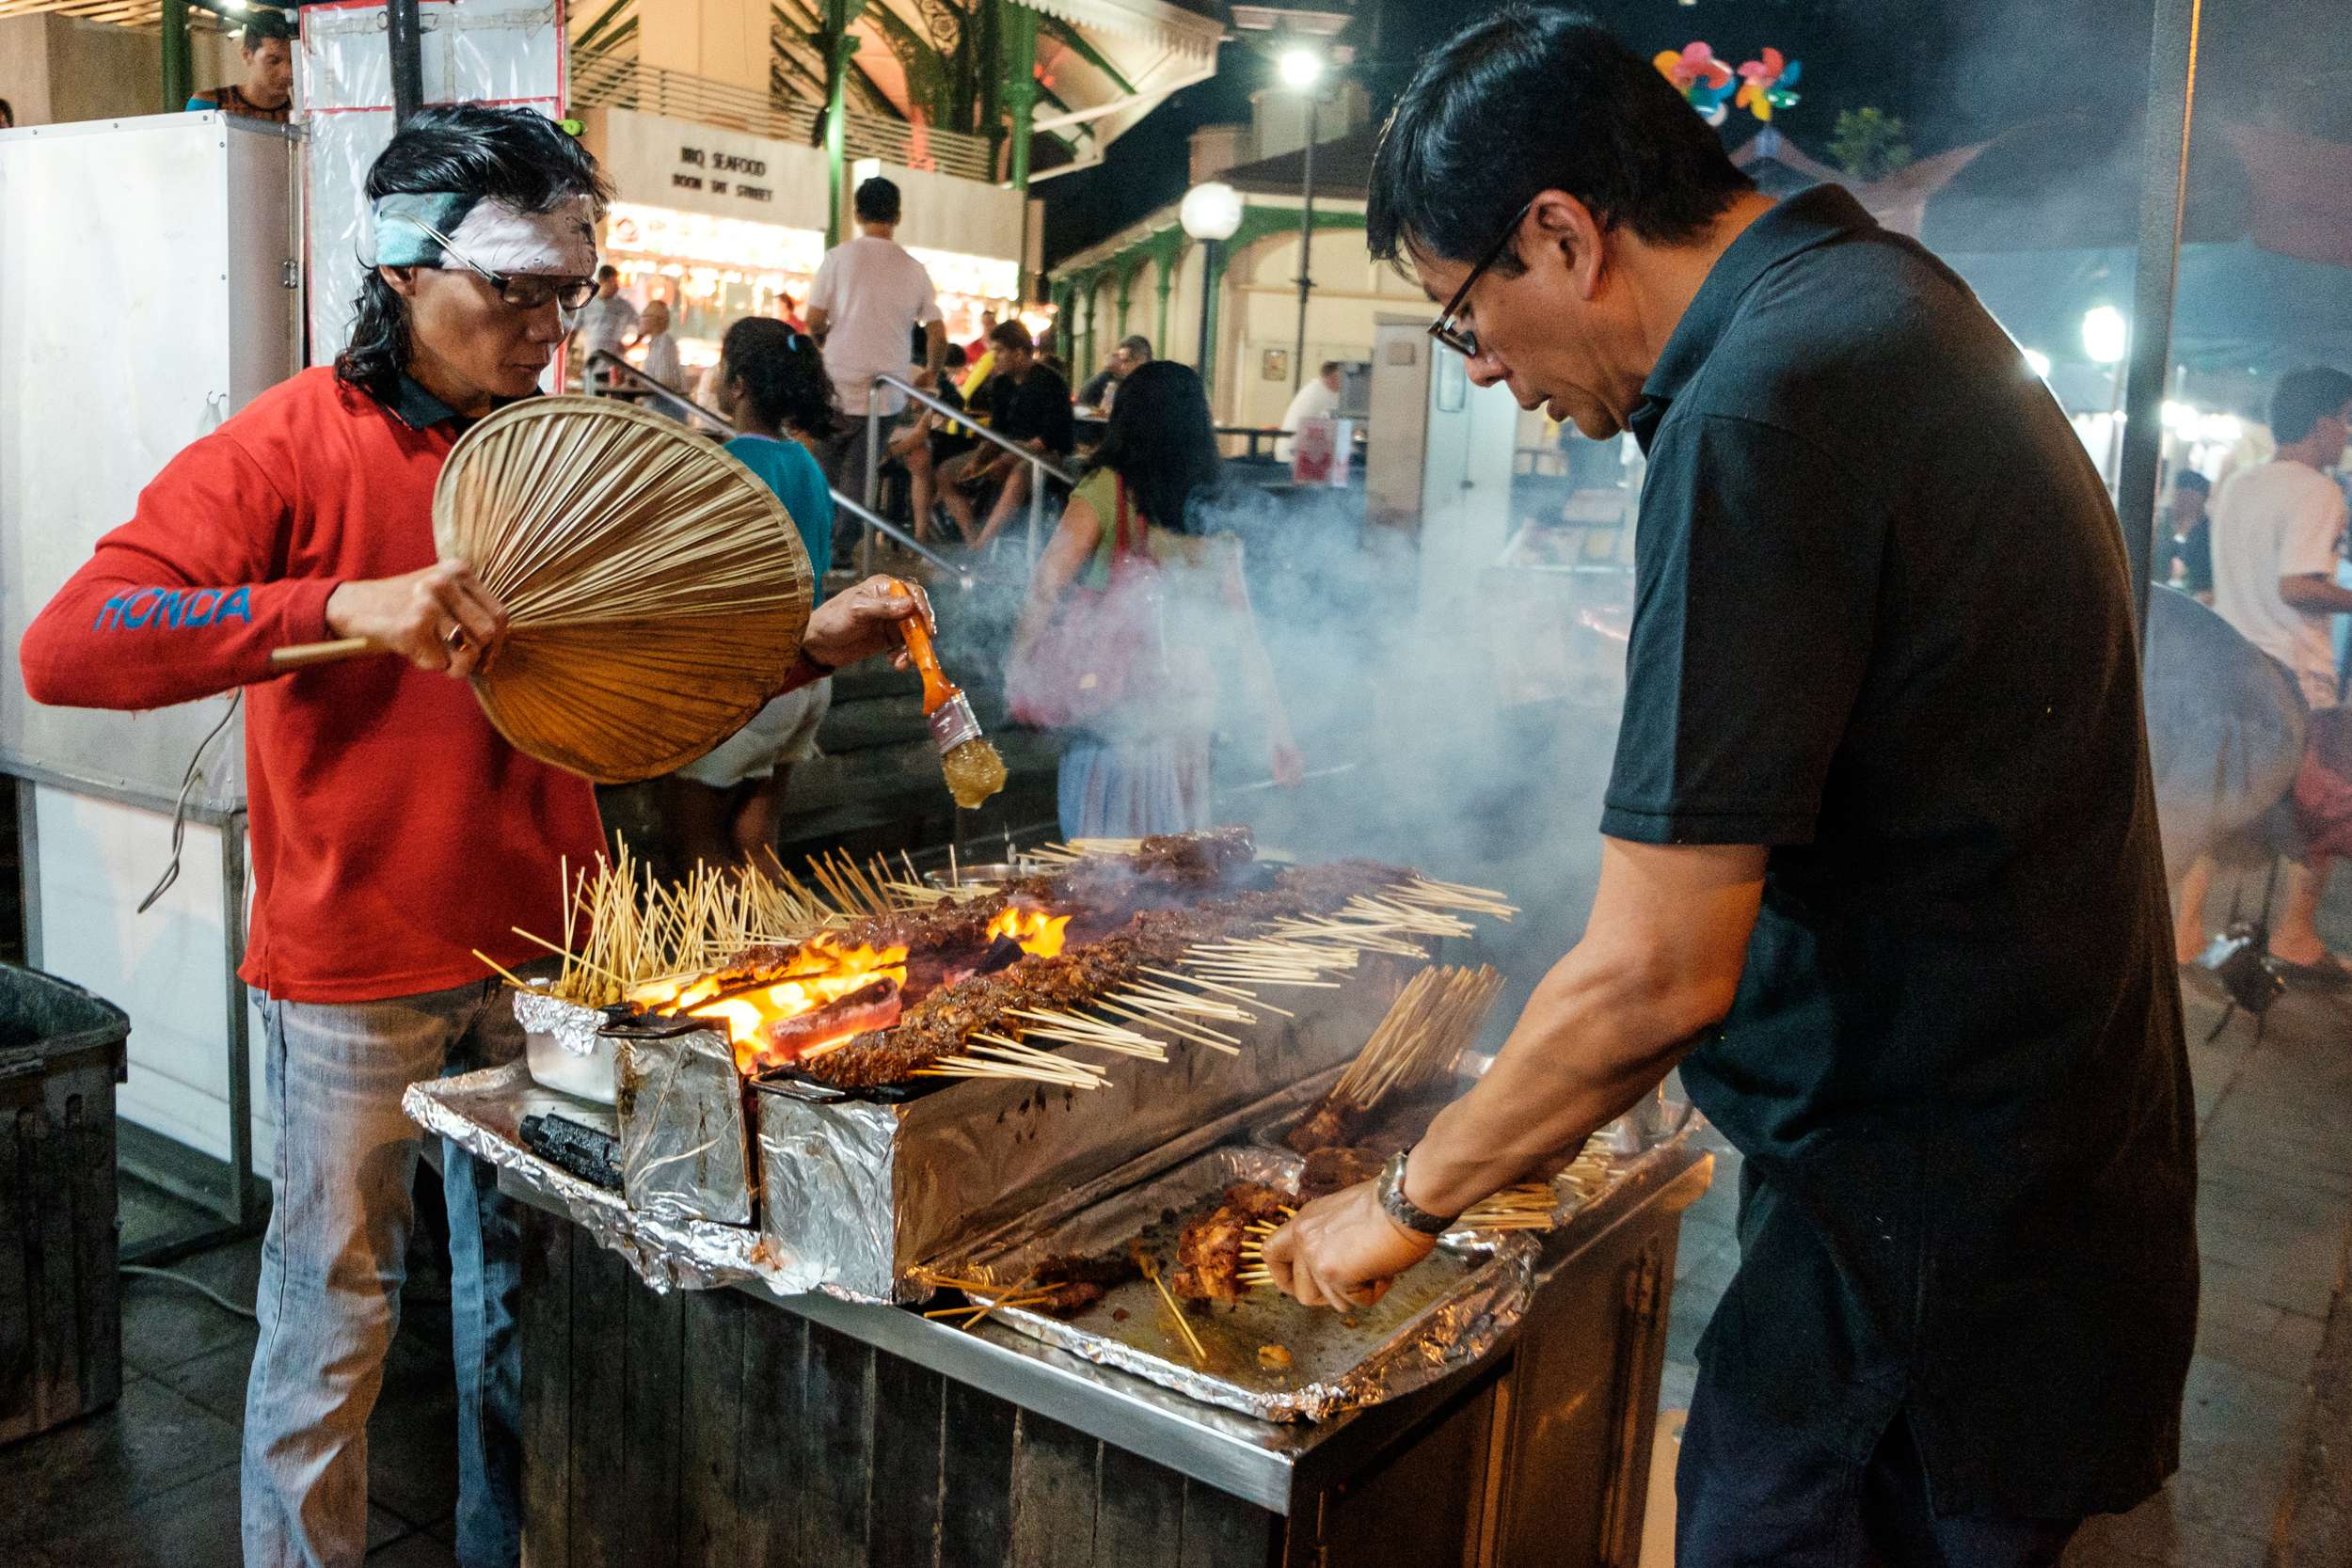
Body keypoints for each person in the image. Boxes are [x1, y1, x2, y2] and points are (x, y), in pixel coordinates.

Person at [1262, 13, 2196, 1565]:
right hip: (2024, 1213)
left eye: (1463, 319)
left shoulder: (1765, 405)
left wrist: (1401, 1206)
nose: (1484, 372)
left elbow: (1654, 969)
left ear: (1562, 236)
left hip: (1909, 1263)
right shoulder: (1885, 305)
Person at [15, 104, 929, 1568]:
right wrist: (336, 605)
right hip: (355, 970)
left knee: (526, 1297)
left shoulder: (551, 456)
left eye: (567, 295)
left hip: (547, 946)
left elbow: (644, 678)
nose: (546, 329)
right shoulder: (282, 450)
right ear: (400, 265)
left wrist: (806, 648)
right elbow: (67, 647)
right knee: (335, 1310)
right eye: (515, 291)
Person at [1010, 361, 1300, 835]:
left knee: (1107, 875)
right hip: (1188, 713)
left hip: (1113, 712)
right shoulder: (1217, 503)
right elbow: (1245, 634)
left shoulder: (1107, 489)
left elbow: (1045, 587)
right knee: (1173, 866)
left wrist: (1017, 668)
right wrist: (1278, 729)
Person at [2176, 367, 2352, 977]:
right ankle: (2296, 934)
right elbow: (2298, 584)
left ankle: (2185, 928)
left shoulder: (2241, 485)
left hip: (2228, 669)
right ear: (2324, 420)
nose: (2348, 433)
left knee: (2220, 801)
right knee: (2321, 812)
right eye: (2346, 419)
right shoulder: (2318, 490)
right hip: (2294, 678)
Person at [662, 317, 839, 871]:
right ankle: (782, 950)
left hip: (746, 675)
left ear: (736, 383)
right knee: (758, 840)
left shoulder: (727, 465)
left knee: (700, 849)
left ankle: (734, 958)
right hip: (806, 677)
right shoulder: (806, 463)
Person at [806, 175, 948, 550]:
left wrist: (824, 340)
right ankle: (841, 549)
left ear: (857, 214)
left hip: (838, 381)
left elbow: (814, 321)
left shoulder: (837, 259)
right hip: (885, 391)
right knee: (860, 475)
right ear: (897, 217)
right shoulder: (915, 268)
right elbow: (936, 331)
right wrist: (931, 372)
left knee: (825, 471)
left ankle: (817, 543)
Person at [941, 319, 1073, 550]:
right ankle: (972, 536)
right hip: (1009, 448)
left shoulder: (1052, 382)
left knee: (1018, 475)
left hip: (1048, 456)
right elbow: (998, 432)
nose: (994, 357)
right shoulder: (1001, 384)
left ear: (1020, 353)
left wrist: (1009, 456)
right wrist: (980, 459)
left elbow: (1049, 438)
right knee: (944, 473)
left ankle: (983, 543)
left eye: (999, 351)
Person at [187, 9, 293, 122]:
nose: (288, 71)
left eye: (293, 61)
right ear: (247, 55)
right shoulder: (208, 106)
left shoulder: (302, 110)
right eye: (273, 61)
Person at [576, 263, 638, 390]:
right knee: (593, 402)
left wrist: (629, 346)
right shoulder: (588, 304)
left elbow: (643, 326)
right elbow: (574, 330)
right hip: (592, 365)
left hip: (615, 367)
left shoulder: (624, 306)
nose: (617, 286)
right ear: (602, 281)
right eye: (613, 282)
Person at [1272, 360, 1343, 461]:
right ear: (1333, 376)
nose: (1345, 381)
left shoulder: (1326, 391)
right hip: (1293, 454)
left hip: (1301, 452)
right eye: (1342, 376)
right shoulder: (1316, 393)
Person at [2163, 468, 2213, 602]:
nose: (2181, 501)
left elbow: (2206, 588)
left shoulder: (2205, 536)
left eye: (2188, 496)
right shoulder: (2163, 527)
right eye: (2179, 495)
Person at [1077, 334, 1152, 411]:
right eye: (1121, 362)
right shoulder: (1123, 386)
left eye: (1126, 361)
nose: (1122, 367)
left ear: (1142, 360)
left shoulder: (1152, 388)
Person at [637, 298, 681, 391]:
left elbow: (664, 381)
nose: (640, 320)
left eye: (644, 315)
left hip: (662, 405)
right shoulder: (656, 343)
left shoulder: (664, 344)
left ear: (654, 319)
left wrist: (639, 382)